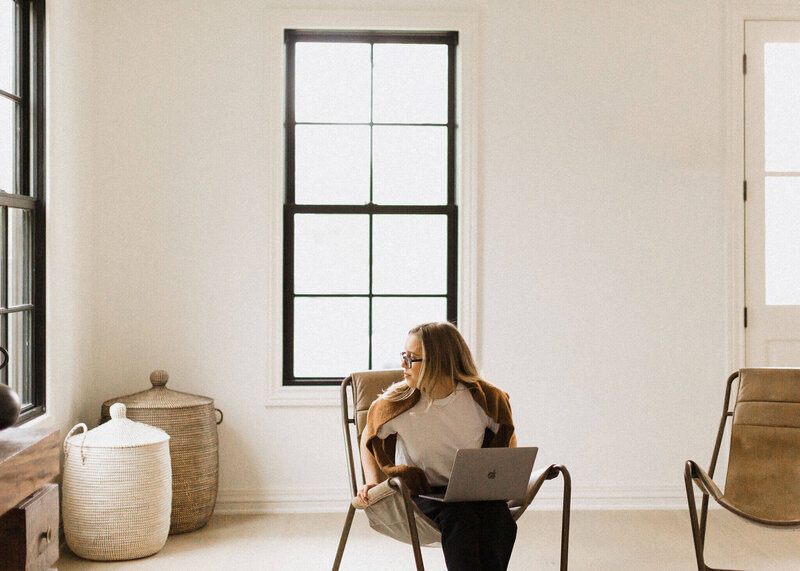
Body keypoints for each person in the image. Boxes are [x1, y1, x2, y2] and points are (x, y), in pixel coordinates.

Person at [357, 321, 518, 571]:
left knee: (498, 517)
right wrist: (372, 481)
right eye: (404, 356)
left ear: (438, 361)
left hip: (472, 491)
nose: (403, 365)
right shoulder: (398, 403)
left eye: (411, 358)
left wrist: (501, 478)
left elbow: (506, 435)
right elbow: (368, 434)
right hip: (420, 494)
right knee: (459, 518)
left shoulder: (483, 399)